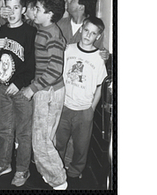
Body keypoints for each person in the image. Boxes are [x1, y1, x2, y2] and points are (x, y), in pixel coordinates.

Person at [0, 0, 37, 187]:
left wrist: (21, 83)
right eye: (9, 7)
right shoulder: (0, 33)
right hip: (3, 88)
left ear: (23, 10)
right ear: (4, 9)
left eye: (17, 7)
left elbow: (33, 64)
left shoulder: (31, 33)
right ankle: (3, 164)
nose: (12, 12)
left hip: (23, 90)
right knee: (5, 130)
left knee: (24, 133)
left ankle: (22, 170)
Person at [22, 0, 68, 190]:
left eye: (38, 9)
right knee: (46, 136)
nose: (34, 11)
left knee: (41, 140)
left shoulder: (52, 33)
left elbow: (55, 69)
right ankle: (49, 173)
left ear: (49, 14)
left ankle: (58, 180)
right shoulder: (45, 28)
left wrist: (33, 88)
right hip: (47, 88)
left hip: (48, 91)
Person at [55, 16, 107, 186]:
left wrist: (91, 108)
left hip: (84, 110)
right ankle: (57, 170)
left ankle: (75, 172)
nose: (87, 35)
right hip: (64, 106)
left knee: (81, 147)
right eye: (86, 30)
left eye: (93, 33)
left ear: (97, 37)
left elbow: (100, 85)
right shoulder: (68, 50)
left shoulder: (99, 58)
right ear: (81, 29)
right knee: (59, 143)